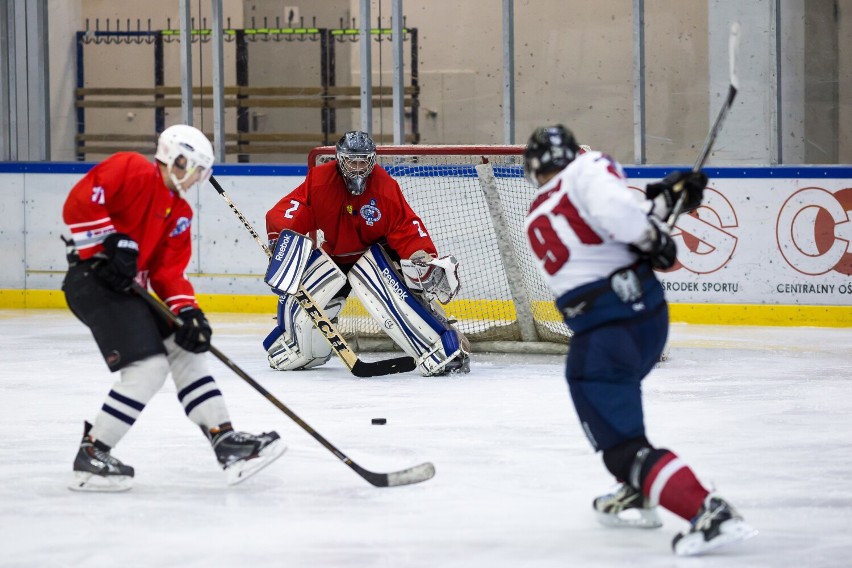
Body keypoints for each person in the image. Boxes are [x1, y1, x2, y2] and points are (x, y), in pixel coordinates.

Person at [522, 125, 756, 556]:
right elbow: (620, 211)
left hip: (607, 333)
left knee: (620, 447)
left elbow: (615, 214)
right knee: (622, 419)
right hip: (644, 319)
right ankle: (640, 487)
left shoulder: (539, 210)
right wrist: (665, 206)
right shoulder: (588, 169)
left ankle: (707, 510)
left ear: (534, 169)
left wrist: (654, 231)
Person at [62, 124, 285, 492]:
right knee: (148, 369)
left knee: (187, 350)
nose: (198, 179)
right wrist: (110, 242)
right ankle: (92, 455)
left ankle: (225, 442)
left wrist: (189, 312)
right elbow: (80, 201)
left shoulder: (179, 211)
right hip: (93, 279)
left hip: (132, 288)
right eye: (196, 169)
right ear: (177, 160)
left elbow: (168, 272)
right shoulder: (131, 168)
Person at [262, 130, 469, 376]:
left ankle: (443, 343)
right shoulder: (319, 181)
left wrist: (420, 256)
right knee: (302, 309)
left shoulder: (385, 187)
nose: (358, 167)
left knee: (395, 301)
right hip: (336, 256)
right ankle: (305, 351)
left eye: (364, 160)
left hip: (377, 255)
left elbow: (405, 224)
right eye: (352, 160)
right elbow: (295, 207)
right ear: (340, 159)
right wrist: (281, 237)